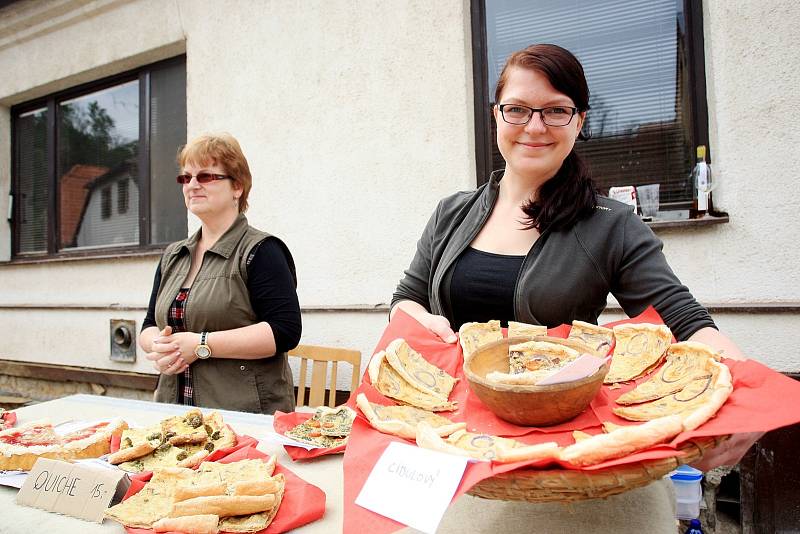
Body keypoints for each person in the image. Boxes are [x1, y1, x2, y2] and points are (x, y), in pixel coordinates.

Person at [391, 44, 760, 530]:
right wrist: (428, 324)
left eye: (556, 110)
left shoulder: (610, 223)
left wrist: (750, 398)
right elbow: (406, 301)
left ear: (580, 121)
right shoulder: (451, 213)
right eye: (518, 108)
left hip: (576, 474)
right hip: (466, 463)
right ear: (496, 115)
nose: (535, 125)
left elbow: (687, 322)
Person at [141, 133, 301, 414]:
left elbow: (284, 331)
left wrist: (201, 345)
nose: (192, 185)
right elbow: (148, 325)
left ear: (237, 186)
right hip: (174, 413)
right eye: (186, 177)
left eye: (205, 177)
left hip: (243, 417)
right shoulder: (174, 255)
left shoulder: (261, 250)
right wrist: (160, 346)